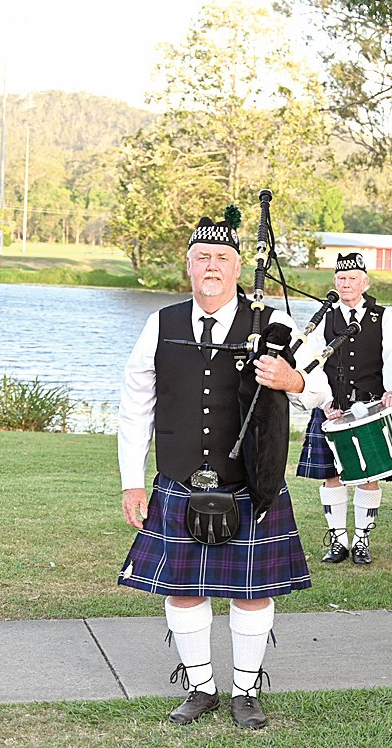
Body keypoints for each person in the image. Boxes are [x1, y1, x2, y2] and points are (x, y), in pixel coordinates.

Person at [117, 213, 329, 730]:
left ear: (237, 268)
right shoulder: (161, 324)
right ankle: (200, 687)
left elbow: (324, 392)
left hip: (250, 483)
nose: (212, 266)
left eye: (222, 259)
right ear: (189, 265)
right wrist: (132, 481)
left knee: (251, 592)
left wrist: (292, 380)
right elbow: (135, 405)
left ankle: (246, 691)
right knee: (183, 589)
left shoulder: (275, 327)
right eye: (202, 258)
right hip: (179, 480)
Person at [296, 252, 392, 565]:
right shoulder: (325, 317)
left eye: (352, 279)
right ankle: (338, 541)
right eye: (341, 279)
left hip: (369, 406)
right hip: (332, 406)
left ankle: (361, 540)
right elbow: (311, 363)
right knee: (331, 476)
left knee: (368, 475)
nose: (346, 284)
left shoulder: (383, 316)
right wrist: (324, 400)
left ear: (365, 282)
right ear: (335, 282)